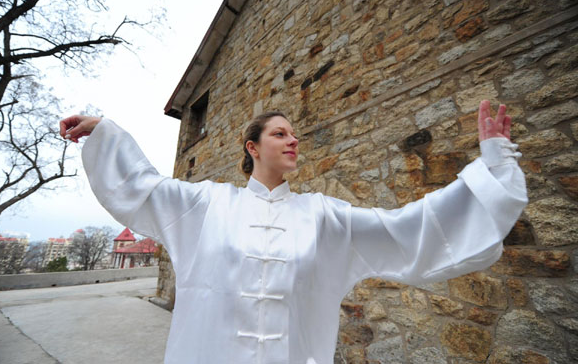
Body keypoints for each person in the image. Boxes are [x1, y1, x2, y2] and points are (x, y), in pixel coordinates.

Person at [59, 100, 527, 364]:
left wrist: (493, 167)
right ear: (253, 147)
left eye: (294, 134)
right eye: (280, 133)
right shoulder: (206, 204)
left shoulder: (323, 217)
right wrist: (105, 132)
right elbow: (142, 187)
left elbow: (407, 228)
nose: (293, 140)